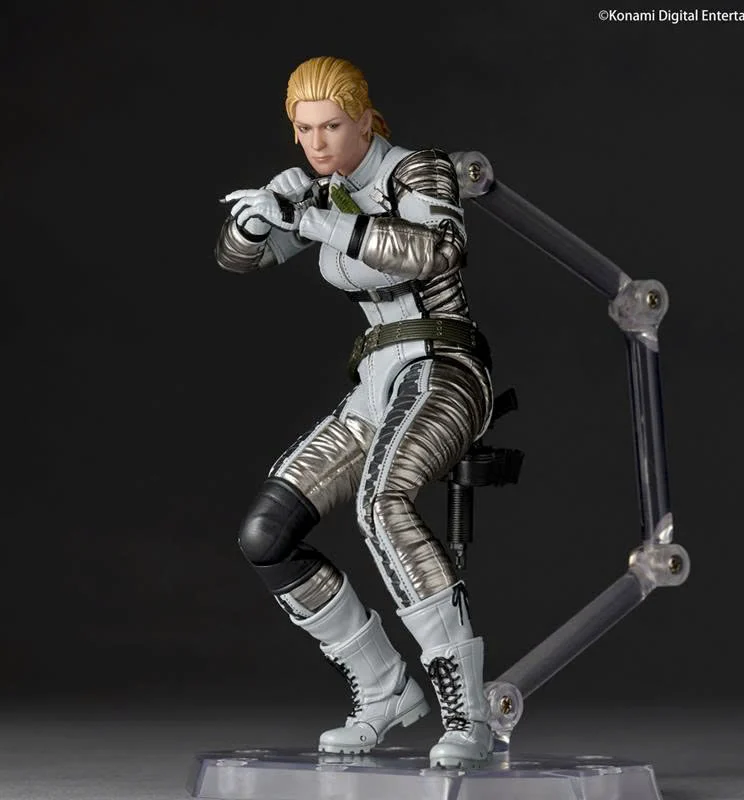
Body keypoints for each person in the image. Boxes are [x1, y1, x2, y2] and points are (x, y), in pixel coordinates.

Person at [216, 56, 494, 769]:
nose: (317, 143)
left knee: (380, 503)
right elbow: (240, 260)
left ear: (366, 120)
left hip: (445, 366)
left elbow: (435, 250)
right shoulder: (325, 188)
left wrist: (311, 217)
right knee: (267, 534)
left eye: (332, 126)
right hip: (377, 383)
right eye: (304, 129)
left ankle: (468, 713)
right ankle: (383, 689)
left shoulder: (415, 170)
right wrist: (257, 219)